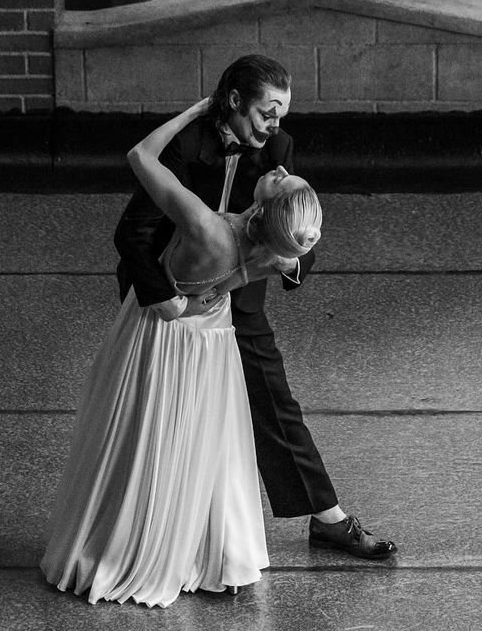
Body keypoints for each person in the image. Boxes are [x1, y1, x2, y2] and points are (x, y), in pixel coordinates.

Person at [41, 95, 323, 606]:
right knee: (204, 448)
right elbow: (246, 265)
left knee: (147, 438)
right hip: (212, 344)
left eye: (284, 180)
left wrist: (190, 111)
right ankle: (202, 551)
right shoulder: (266, 254)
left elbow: (139, 156)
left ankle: (133, 548)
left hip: (165, 337)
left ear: (267, 206)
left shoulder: (206, 225)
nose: (280, 167)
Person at [113, 54, 397, 560]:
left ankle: (328, 520)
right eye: (268, 111)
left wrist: (288, 263)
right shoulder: (186, 145)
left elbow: (294, 221)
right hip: (170, 296)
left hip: (239, 296)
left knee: (274, 401)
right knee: (164, 417)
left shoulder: (278, 150)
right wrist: (167, 302)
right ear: (235, 101)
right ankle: (156, 535)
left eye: (282, 113)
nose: (276, 125)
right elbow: (134, 233)